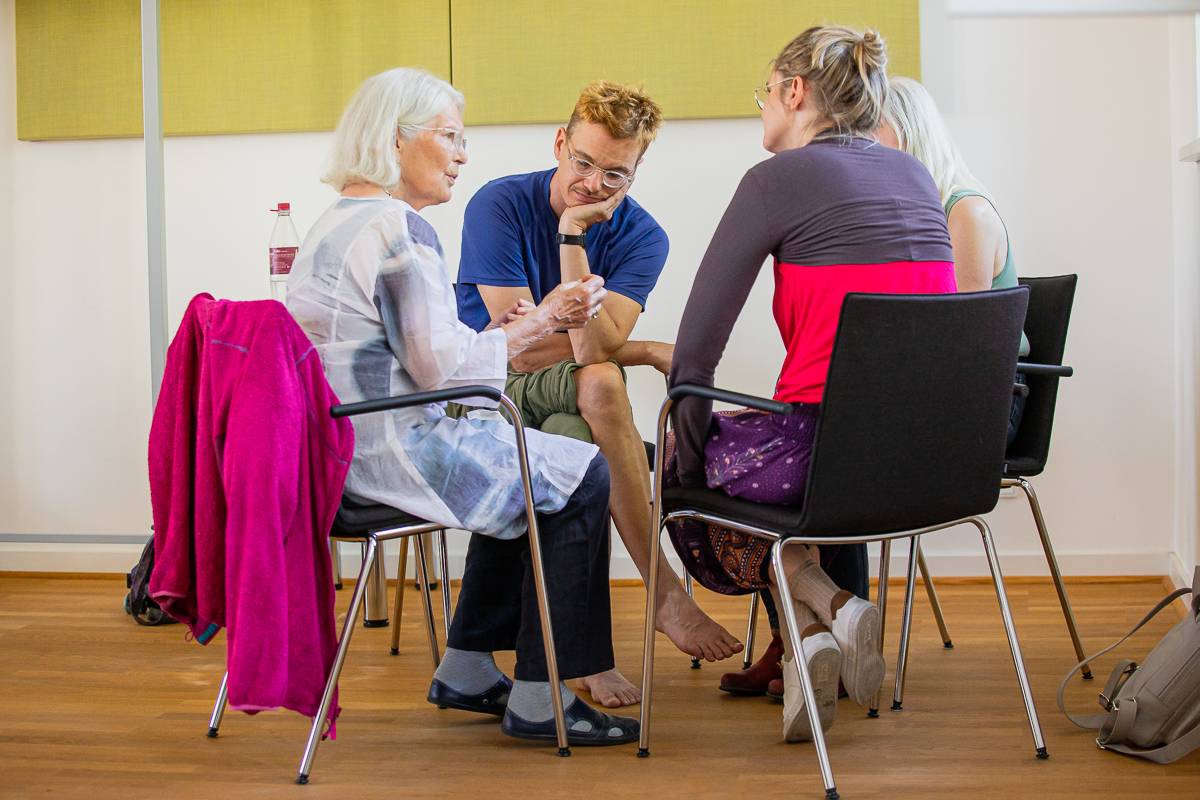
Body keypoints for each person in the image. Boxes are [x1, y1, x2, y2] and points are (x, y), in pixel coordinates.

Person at [285, 67, 638, 746]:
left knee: (527, 469)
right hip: (392, 454)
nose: (462, 155)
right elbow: (439, 373)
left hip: (337, 456)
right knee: (582, 472)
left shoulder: (332, 225)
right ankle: (541, 696)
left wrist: (520, 329)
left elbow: (422, 354)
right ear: (396, 139)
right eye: (449, 137)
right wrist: (546, 321)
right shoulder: (399, 230)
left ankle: (469, 667)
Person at [668, 26, 958, 742]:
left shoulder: (774, 181)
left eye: (765, 93)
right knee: (758, 467)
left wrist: (689, 461)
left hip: (826, 458)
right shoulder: (915, 176)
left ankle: (827, 612)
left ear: (794, 92)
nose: (764, 106)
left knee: (685, 465)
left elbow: (694, 357)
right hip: (933, 461)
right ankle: (816, 639)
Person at [455, 80, 742, 707]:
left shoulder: (644, 237)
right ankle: (662, 592)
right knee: (606, 381)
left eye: (615, 174)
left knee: (577, 445)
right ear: (560, 143)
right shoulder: (499, 204)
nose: (592, 184)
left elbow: (586, 347)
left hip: (567, 401)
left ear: (637, 171)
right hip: (487, 393)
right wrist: (643, 349)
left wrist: (572, 238)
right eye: (583, 163)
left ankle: (573, 662)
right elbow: (519, 350)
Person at [877, 76, 1030, 443]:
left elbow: (962, 337)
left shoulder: (966, 213)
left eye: (871, 130)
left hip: (990, 392)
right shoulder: (914, 216)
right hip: (938, 383)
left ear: (906, 132)